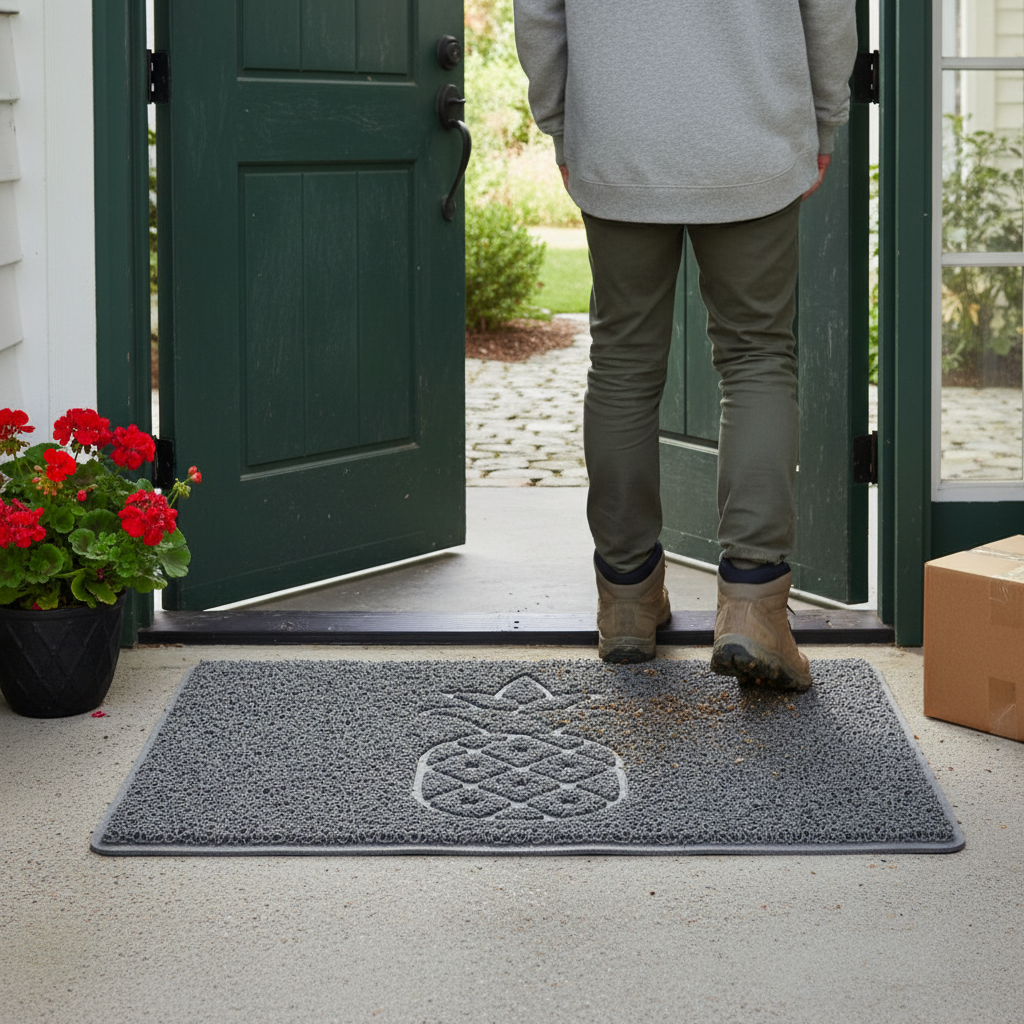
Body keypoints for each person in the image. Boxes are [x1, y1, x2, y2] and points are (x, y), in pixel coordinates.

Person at [513, 1, 859, 689]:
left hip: (619, 136)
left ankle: (627, 605)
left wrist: (561, 125)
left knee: (620, 367)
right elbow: (828, 9)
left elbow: (539, 12)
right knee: (757, 357)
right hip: (755, 134)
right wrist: (823, 118)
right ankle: (754, 609)